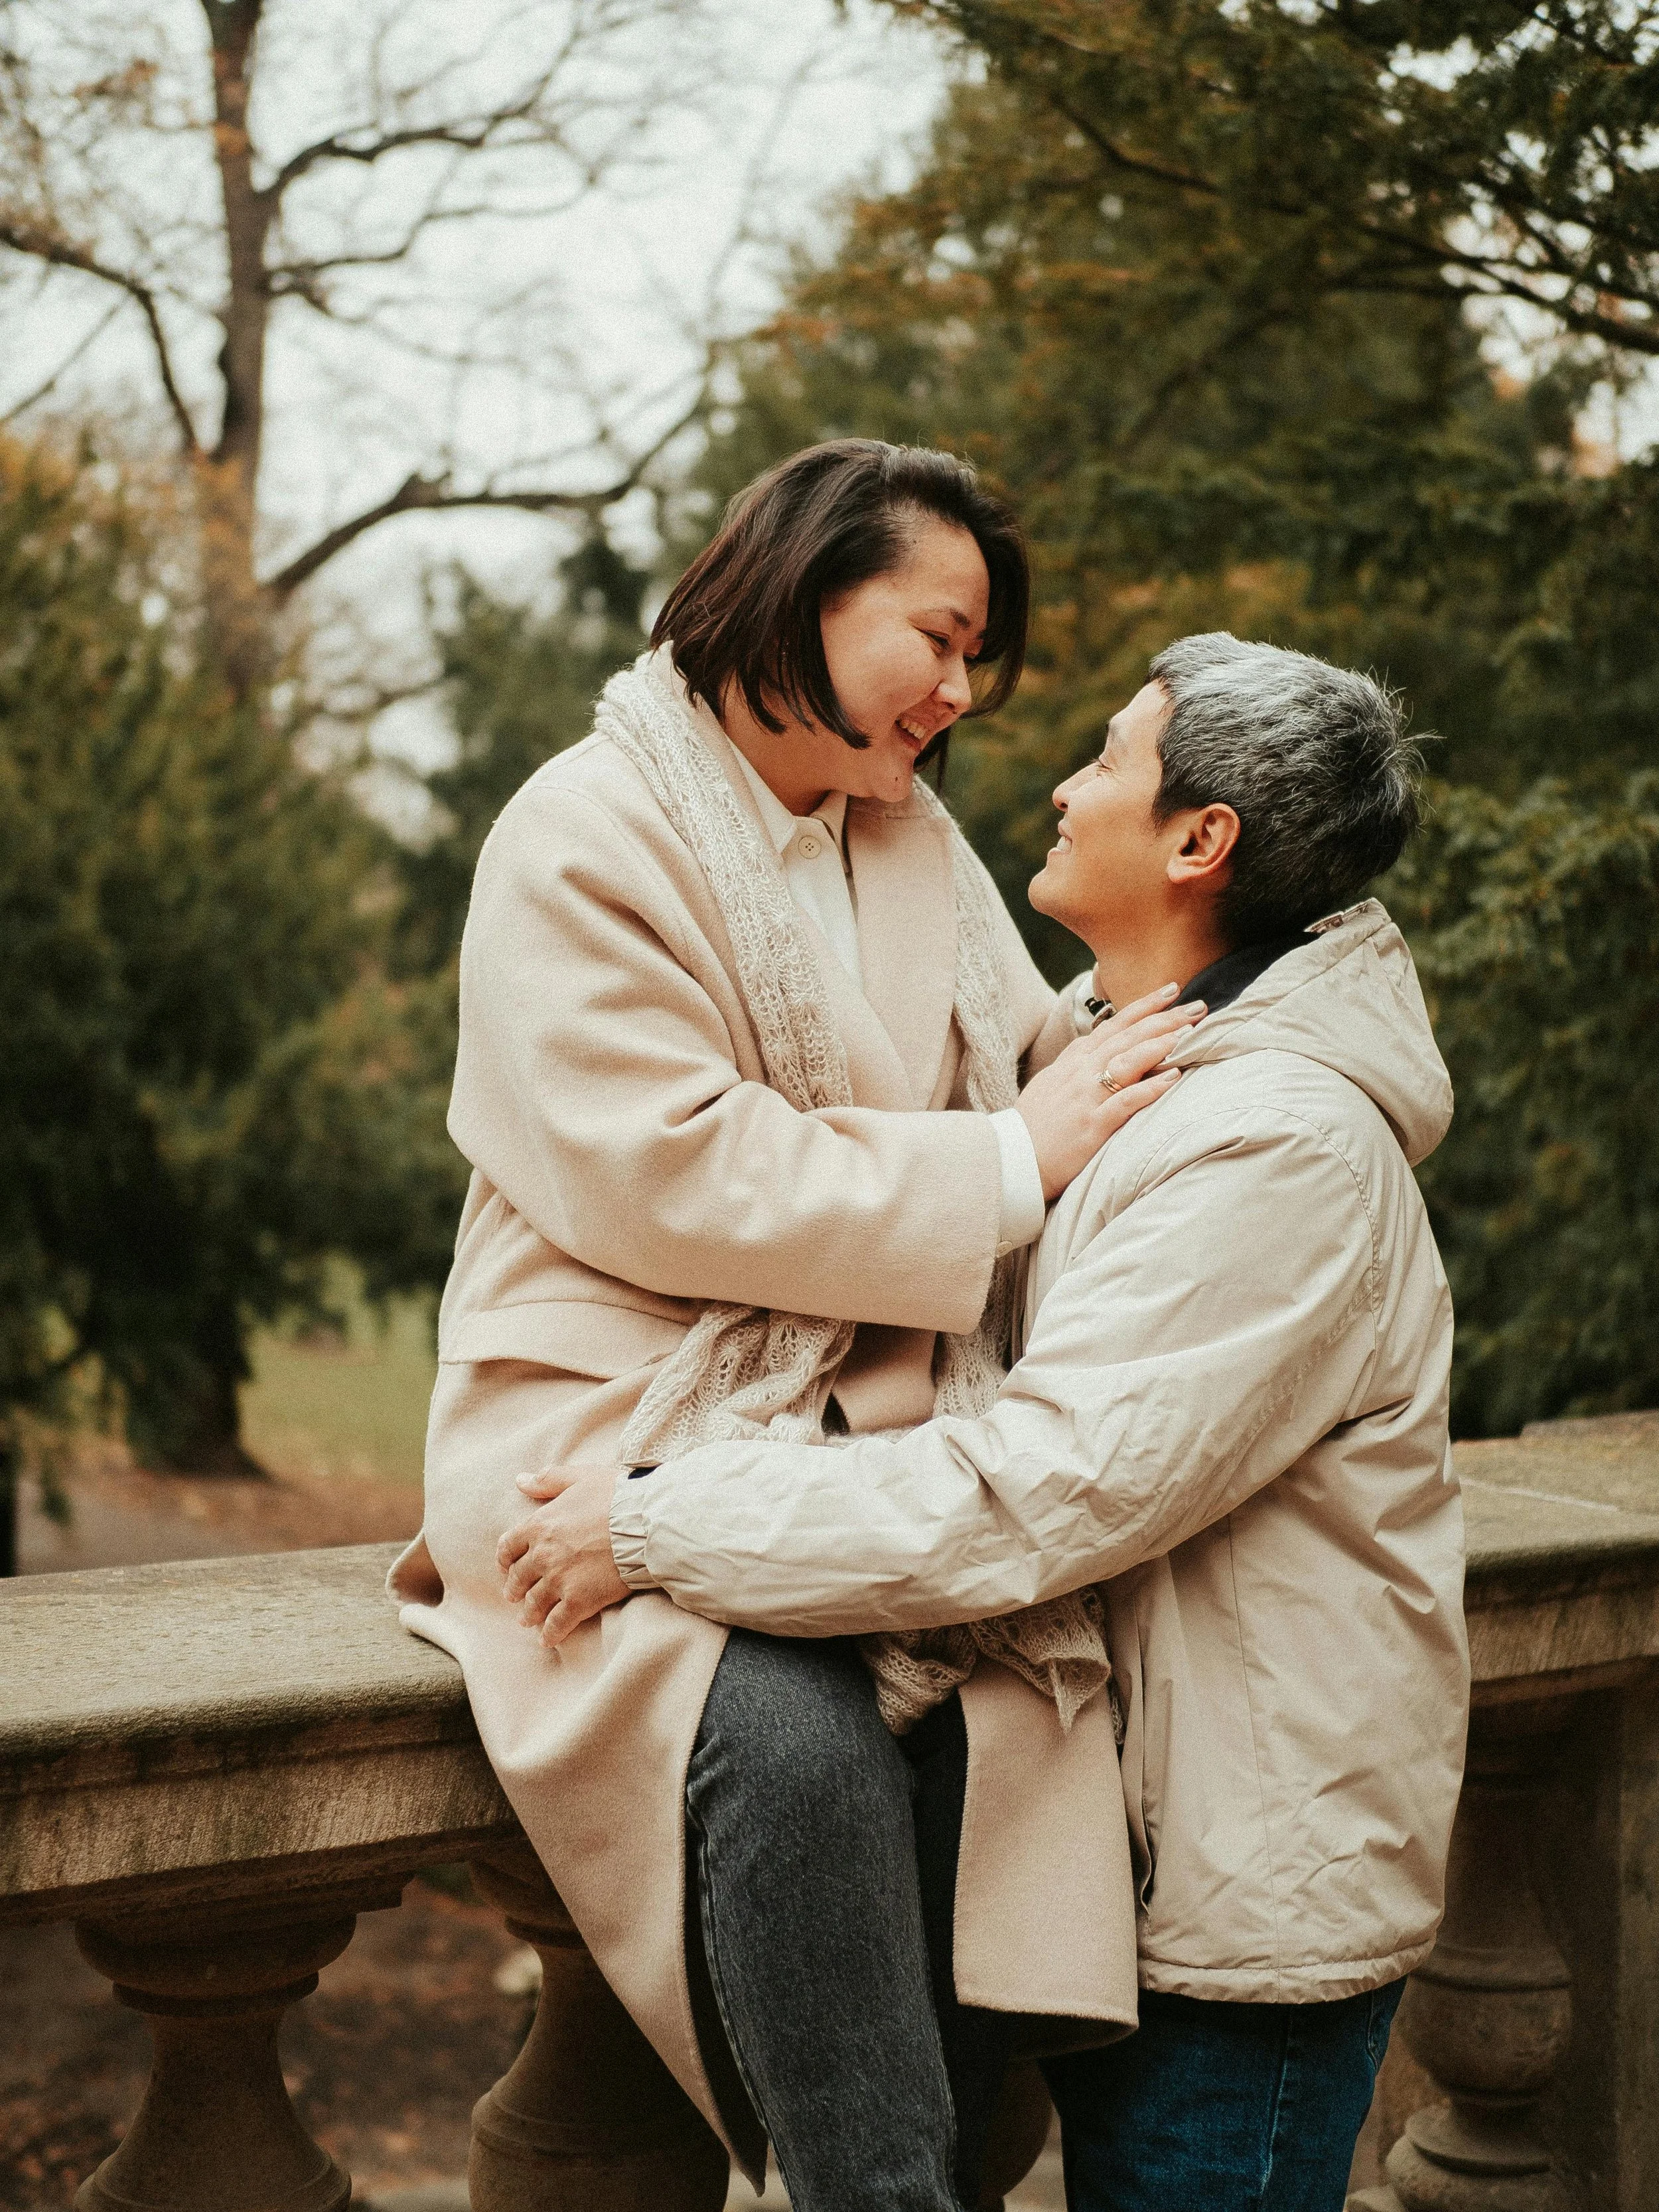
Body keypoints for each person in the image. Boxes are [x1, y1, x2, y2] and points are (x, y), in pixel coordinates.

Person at [503, 632, 1473, 2212]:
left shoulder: (1272, 1143)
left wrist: (651, 1519)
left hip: (1241, 1916)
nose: (1062, 782)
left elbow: (1032, 1491)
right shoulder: (1124, 1058)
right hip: (1133, 1850)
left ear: (1195, 841)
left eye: (1106, 759)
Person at [390, 439, 1190, 2211]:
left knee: (1010, 1719)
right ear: (811, 587)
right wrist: (1002, 1163)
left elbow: (1027, 1061)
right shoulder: (579, 832)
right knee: (793, 1731)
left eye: (977, 653)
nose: (963, 691)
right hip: (604, 1416)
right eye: (941, 631)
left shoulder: (905, 836)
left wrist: (1169, 1046)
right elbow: (665, 1169)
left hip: (866, 1417)